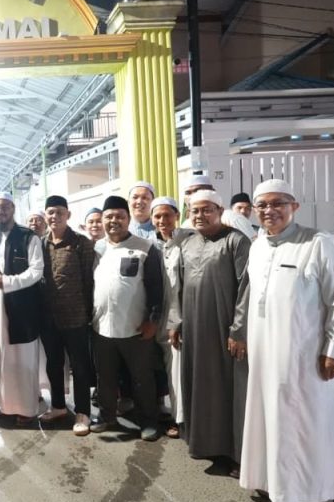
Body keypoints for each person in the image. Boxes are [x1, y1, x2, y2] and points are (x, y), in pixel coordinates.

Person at [240, 179, 334, 502]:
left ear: (294, 206)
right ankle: (273, 482)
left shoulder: (317, 243)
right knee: (269, 418)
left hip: (306, 356)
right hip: (265, 356)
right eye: (262, 204)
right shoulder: (257, 246)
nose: (269, 210)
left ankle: (316, 493)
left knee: (309, 425)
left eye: (278, 203)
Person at [169, 190, 250, 475]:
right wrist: (176, 322)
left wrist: (238, 330)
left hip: (223, 328)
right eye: (195, 211)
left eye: (207, 210)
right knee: (199, 385)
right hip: (193, 328)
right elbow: (178, 288)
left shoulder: (236, 241)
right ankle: (205, 445)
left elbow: (246, 288)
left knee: (227, 388)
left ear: (220, 210)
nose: (200, 215)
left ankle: (234, 453)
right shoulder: (187, 243)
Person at [90, 195, 164, 440]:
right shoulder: (96, 248)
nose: (114, 221)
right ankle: (106, 416)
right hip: (101, 327)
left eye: (119, 216)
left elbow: (156, 287)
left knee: (142, 378)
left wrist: (153, 320)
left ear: (128, 219)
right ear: (102, 220)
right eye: (109, 216)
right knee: (105, 377)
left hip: (136, 327)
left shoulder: (145, 248)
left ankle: (148, 421)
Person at [0, 192, 44, 424]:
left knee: (22, 359)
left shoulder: (29, 236)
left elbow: (36, 271)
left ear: (13, 209)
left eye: (4, 207)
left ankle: (26, 409)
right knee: (0, 359)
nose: (0, 212)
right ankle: (5, 406)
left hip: (21, 308)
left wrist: (9, 282)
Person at [39, 195, 96, 435]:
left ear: (68, 215)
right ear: (45, 215)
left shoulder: (81, 243)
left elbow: (89, 280)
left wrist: (89, 313)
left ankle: (83, 412)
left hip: (76, 316)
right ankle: (59, 406)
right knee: (53, 364)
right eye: (51, 212)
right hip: (48, 318)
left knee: (80, 366)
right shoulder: (40, 244)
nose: (55, 216)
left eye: (60, 212)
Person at [151, 197, 192, 439]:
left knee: (178, 370)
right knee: (165, 371)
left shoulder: (187, 240)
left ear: (177, 215)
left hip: (181, 317)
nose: (162, 220)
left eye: (167, 215)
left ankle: (181, 419)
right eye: (157, 216)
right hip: (158, 318)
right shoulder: (153, 245)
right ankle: (170, 415)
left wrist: (177, 321)